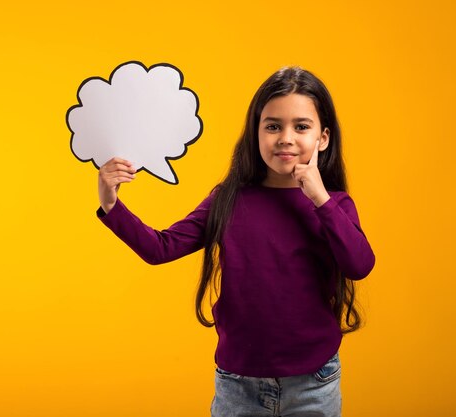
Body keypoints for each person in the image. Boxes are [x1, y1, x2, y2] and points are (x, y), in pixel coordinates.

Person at [96, 66, 375, 416]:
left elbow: (360, 265)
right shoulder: (228, 199)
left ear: (323, 138)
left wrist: (320, 199)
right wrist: (111, 203)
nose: (285, 137)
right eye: (272, 126)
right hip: (239, 386)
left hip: (314, 383)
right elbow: (160, 248)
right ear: (255, 134)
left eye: (301, 127)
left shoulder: (334, 205)